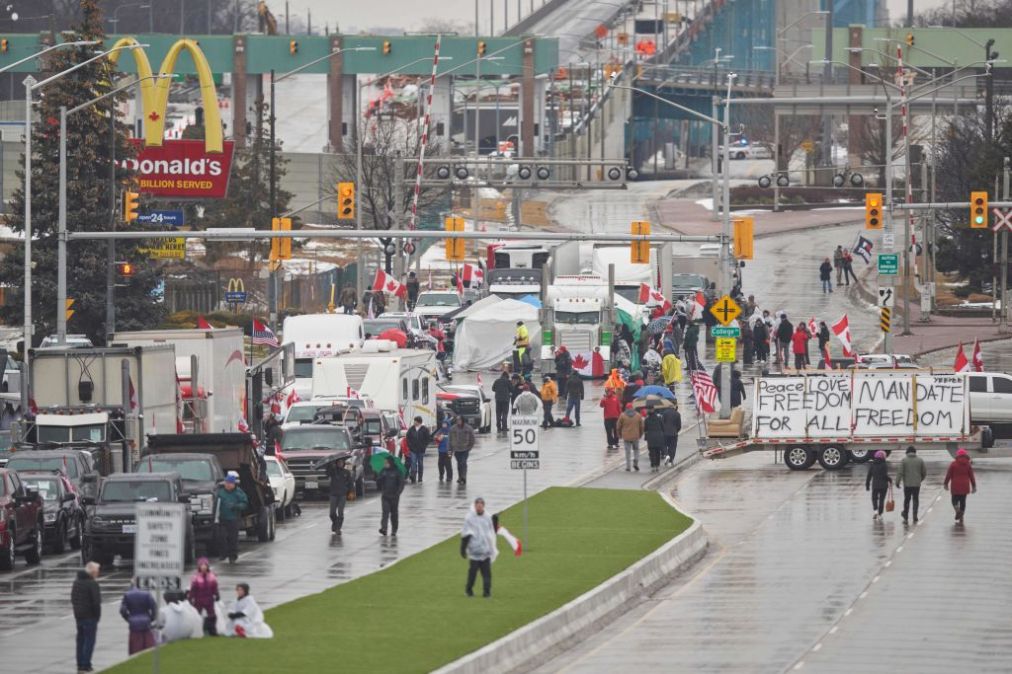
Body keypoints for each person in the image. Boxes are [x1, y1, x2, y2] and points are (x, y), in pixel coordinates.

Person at [460, 497, 496, 598]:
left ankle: (487, 592)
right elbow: (465, 534)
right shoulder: (469, 518)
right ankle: (469, 590)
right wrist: (463, 548)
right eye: (477, 506)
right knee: (472, 574)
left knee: (487, 574)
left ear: (483, 506)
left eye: (481, 506)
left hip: (485, 551)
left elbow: (491, 532)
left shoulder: (487, 517)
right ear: (475, 506)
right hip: (474, 551)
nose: (479, 508)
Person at [72, 561, 102, 673]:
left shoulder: (76, 582)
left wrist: (77, 612)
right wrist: (97, 616)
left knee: (80, 640)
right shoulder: (92, 584)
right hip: (90, 617)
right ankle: (86, 664)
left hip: (79, 616)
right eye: (97, 571)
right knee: (89, 641)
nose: (98, 574)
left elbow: (73, 599)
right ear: (92, 572)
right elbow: (96, 603)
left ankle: (80, 664)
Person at [217, 474, 249, 563]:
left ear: (234, 484)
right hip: (222, 519)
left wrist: (236, 506)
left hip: (234, 519)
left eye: (230, 483)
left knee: (233, 538)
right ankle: (223, 554)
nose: (228, 485)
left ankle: (232, 556)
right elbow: (215, 504)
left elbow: (245, 503)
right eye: (226, 483)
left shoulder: (239, 492)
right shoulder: (220, 493)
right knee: (222, 537)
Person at [120, 581, 157, 655]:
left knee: (135, 647)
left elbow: (123, 610)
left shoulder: (127, 595)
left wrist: (128, 618)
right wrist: (151, 618)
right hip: (146, 622)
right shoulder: (147, 594)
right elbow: (154, 607)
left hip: (134, 624)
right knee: (148, 644)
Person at [944, 448, 977, 523]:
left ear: (958, 455)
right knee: (963, 502)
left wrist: (945, 484)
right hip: (965, 486)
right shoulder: (968, 464)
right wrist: (974, 486)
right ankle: (961, 517)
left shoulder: (953, 464)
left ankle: (957, 510)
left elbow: (948, 475)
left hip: (955, 486)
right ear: (965, 455)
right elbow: (971, 476)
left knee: (954, 501)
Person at [895, 446, 927, 524]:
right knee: (915, 499)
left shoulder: (904, 460)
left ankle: (906, 515)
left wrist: (897, 482)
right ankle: (915, 515)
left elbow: (900, 472)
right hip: (916, 484)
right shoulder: (920, 460)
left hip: (907, 485)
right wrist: (920, 480)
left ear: (907, 452)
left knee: (907, 499)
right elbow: (924, 472)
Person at [188, 557, 219, 636]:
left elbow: (214, 587)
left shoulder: (212, 576)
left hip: (209, 598)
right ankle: (196, 631)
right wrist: (190, 597)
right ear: (199, 566)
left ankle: (212, 631)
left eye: (205, 565)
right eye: (202, 565)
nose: (203, 567)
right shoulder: (196, 577)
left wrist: (217, 594)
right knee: (197, 615)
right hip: (199, 599)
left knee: (212, 615)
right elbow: (193, 589)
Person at [376, 456, 405, 535]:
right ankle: (384, 528)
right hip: (385, 496)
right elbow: (378, 483)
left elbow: (401, 483)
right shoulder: (383, 471)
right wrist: (379, 479)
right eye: (384, 463)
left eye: (386, 463)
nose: (385, 464)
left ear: (390, 463)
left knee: (394, 514)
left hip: (394, 496)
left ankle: (394, 529)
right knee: (385, 512)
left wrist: (398, 493)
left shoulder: (397, 472)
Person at [326, 457, 353, 534]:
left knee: (340, 512)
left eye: (341, 462)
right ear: (336, 463)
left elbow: (350, 483)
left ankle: (338, 528)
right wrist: (329, 465)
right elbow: (327, 473)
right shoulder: (333, 471)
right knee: (332, 513)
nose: (340, 464)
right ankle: (335, 523)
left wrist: (351, 492)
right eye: (338, 462)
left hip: (342, 495)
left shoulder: (346, 472)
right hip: (333, 494)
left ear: (343, 463)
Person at [865, 450, 892, 520]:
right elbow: (885, 475)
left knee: (874, 498)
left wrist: (867, 485)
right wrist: (889, 480)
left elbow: (869, 476)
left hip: (875, 485)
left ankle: (875, 511)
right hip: (883, 485)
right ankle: (880, 514)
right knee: (881, 500)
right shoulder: (884, 465)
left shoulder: (873, 465)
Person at [616, 402, 644, 471]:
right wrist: (640, 434)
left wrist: (619, 435)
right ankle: (636, 462)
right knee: (636, 450)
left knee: (627, 452)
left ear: (626, 408)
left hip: (626, 437)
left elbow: (618, 426)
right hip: (635, 436)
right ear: (632, 408)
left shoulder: (622, 415)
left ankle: (628, 467)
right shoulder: (638, 415)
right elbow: (642, 426)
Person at [449, 416, 476, 485]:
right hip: (457, 449)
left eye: (460, 420)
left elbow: (472, 439)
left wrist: (469, 447)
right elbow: (450, 440)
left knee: (463, 463)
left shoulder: (468, 428)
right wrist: (450, 450)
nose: (458, 421)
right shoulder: (453, 428)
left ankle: (463, 477)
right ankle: (460, 477)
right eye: (457, 420)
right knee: (459, 464)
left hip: (465, 449)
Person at [406, 416, 431, 484]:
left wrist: (424, 446)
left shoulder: (424, 429)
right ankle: (413, 477)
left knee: (420, 463)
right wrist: (410, 446)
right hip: (413, 450)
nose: (414, 422)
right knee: (413, 463)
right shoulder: (411, 429)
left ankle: (420, 478)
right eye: (414, 421)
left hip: (421, 450)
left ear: (419, 422)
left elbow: (428, 438)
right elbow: (407, 437)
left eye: (415, 421)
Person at [643, 404, 666, 472]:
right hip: (659, 437)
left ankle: (653, 465)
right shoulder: (659, 418)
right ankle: (657, 465)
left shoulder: (647, 419)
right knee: (658, 452)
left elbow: (645, 429)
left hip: (651, 438)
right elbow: (663, 427)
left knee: (652, 452)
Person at [661, 401, 681, 466]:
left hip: (665, 433)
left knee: (664, 444)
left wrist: (663, 430)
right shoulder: (677, 414)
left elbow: (662, 423)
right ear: (674, 407)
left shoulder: (664, 413)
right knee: (672, 447)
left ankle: (666, 455)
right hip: (674, 433)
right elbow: (679, 426)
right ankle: (671, 460)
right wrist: (676, 430)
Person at [435, 418, 453, 483]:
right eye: (443, 424)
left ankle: (449, 477)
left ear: (448, 424)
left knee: (448, 464)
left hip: (449, 451)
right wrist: (438, 438)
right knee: (440, 464)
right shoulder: (440, 431)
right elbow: (435, 438)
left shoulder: (451, 431)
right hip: (441, 450)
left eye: (445, 424)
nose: (444, 425)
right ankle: (441, 475)